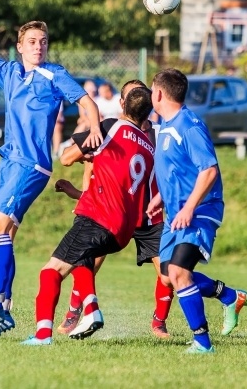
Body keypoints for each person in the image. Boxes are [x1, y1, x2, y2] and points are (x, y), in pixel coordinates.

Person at [0, 0, 102, 339]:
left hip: (31, 165)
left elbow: (86, 101)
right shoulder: (10, 73)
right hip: (9, 163)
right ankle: (3, 310)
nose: (38, 47)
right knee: (5, 233)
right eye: (32, 42)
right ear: (20, 47)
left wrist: (95, 126)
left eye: (43, 42)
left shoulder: (54, 74)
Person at [21, 86, 155, 345]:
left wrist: (88, 151)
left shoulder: (111, 127)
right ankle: (91, 308)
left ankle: (42, 336)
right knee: (82, 259)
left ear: (122, 104)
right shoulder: (149, 146)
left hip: (98, 218)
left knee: (50, 271)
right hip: (123, 230)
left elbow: (67, 158)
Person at [54, 79, 175, 339]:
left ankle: (159, 323)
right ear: (122, 102)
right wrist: (84, 165)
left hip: (148, 216)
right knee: (87, 262)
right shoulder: (110, 128)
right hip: (115, 212)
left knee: (167, 276)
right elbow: (67, 156)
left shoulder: (158, 134)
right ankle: (74, 313)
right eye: (130, 95)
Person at [146, 68, 247, 354]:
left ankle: (202, 343)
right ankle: (229, 296)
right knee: (168, 277)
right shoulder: (167, 124)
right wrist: (160, 197)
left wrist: (190, 207)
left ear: (158, 93)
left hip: (200, 210)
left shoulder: (188, 126)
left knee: (179, 272)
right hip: (174, 213)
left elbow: (209, 170)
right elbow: (177, 171)